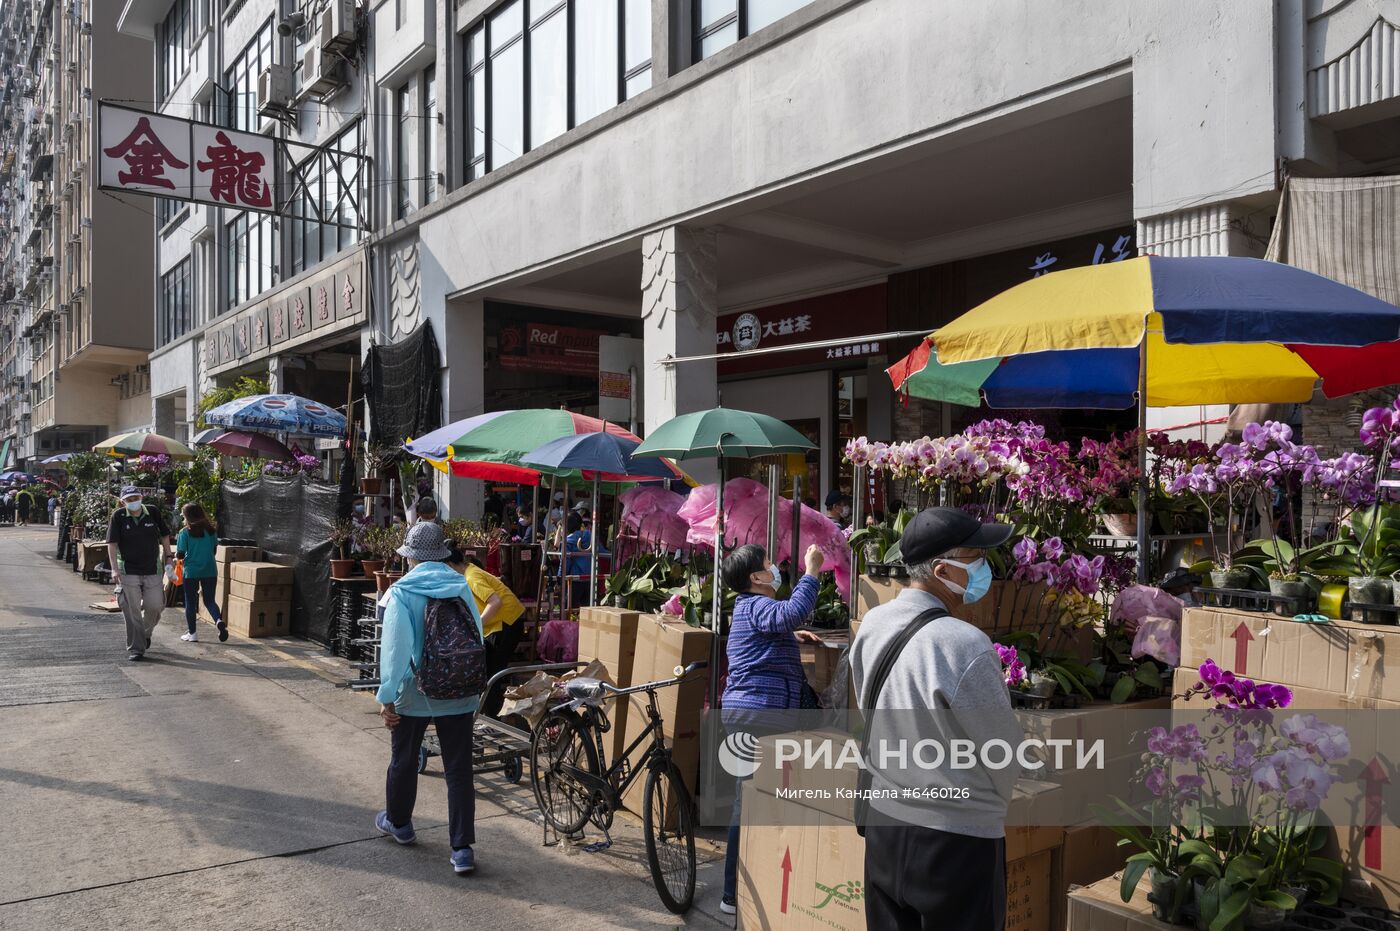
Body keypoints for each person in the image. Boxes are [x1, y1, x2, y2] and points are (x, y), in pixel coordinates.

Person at [849, 507, 1022, 931]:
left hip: (885, 826)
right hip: (954, 842)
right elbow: (1003, 755)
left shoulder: (873, 623)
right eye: (976, 558)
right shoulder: (965, 645)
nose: (985, 568)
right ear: (942, 570)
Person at [718, 542, 826, 916]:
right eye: (768, 564)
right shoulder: (756, 605)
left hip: (755, 714)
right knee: (748, 802)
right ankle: (733, 893)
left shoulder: (749, 610)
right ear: (756, 578)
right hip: (758, 715)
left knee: (752, 799)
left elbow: (772, 630)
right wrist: (812, 570)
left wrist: (788, 639)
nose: (774, 567)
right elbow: (793, 612)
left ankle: (748, 885)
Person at [375, 521, 485, 876]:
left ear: (410, 557)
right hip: (460, 690)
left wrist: (386, 696)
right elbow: (477, 636)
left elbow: (394, 651)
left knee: (404, 759)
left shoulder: (401, 592)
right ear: (441, 553)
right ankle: (462, 849)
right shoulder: (461, 586)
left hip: (413, 690)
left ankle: (400, 824)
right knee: (459, 769)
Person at [448, 547, 526, 718]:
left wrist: (476, 625)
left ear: (451, 564)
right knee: (489, 671)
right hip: (500, 624)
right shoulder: (468, 573)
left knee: (492, 673)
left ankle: (491, 718)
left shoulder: (471, 576)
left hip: (507, 623)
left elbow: (495, 602)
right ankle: (489, 715)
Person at [107, 487, 173, 662]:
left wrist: (168, 557)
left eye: (135, 497)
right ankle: (136, 648)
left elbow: (165, 535)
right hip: (127, 570)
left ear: (141, 497)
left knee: (155, 605)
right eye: (129, 499)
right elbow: (112, 544)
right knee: (132, 610)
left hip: (152, 568)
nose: (133, 501)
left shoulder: (152, 512)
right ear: (123, 502)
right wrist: (114, 568)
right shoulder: (119, 516)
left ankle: (145, 633)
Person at [176, 503, 227, 644]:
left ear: (187, 516)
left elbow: (180, 554)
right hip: (210, 569)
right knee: (209, 600)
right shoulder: (211, 531)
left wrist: (178, 555)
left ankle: (192, 634)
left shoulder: (184, 532)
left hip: (191, 571)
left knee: (190, 603)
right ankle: (218, 620)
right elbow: (214, 551)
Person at [563, 512, 594, 608]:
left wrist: (560, 578)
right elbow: (602, 551)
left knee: (569, 609)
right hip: (590, 578)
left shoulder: (567, 540)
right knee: (587, 610)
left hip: (574, 579)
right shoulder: (591, 536)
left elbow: (565, 563)